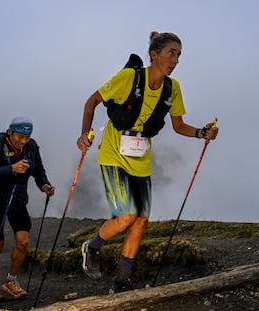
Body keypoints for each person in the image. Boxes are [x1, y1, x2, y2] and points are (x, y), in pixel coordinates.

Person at [77, 31, 219, 293]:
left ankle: (121, 282)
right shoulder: (130, 77)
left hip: (140, 158)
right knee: (127, 215)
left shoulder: (172, 88)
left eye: (179, 55)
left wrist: (201, 133)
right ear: (154, 54)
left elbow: (178, 126)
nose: (175, 60)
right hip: (113, 153)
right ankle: (92, 247)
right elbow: (91, 102)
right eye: (171, 53)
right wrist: (84, 134)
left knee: (141, 220)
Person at [0, 116, 55, 304]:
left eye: (27, 137)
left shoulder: (31, 146)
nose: (23, 141)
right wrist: (11, 168)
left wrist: (45, 185)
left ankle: (10, 281)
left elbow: (38, 170)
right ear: (9, 133)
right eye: (20, 137)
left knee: (23, 241)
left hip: (18, 200)